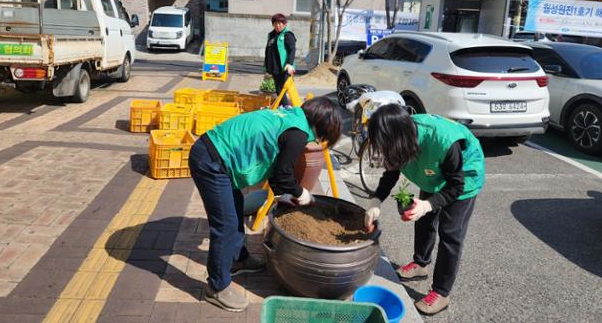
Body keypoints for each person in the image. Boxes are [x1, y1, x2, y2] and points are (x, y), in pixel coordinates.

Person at [188, 97, 342, 312]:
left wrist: (282, 195)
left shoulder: (291, 117)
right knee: (225, 225)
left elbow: (274, 161)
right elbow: (284, 174)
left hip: (214, 153)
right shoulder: (298, 134)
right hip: (211, 161)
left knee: (236, 207)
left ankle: (237, 259)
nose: (317, 142)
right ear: (324, 126)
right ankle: (217, 287)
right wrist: (301, 193)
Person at [364, 105, 485, 315]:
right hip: (433, 174)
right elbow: (391, 173)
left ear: (399, 140)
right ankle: (421, 263)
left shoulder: (442, 141)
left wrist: (428, 204)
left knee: (450, 234)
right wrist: (376, 200)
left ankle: (441, 292)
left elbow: (456, 186)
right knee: (424, 221)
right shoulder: (398, 138)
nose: (383, 152)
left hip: (464, 177)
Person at [265, 13, 296, 106]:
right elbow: (268, 51)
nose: (278, 25)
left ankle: (287, 108)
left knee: (282, 89)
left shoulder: (287, 35)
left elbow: (292, 50)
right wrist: (266, 67)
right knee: (278, 90)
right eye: (275, 23)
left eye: (280, 23)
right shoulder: (271, 35)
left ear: (285, 24)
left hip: (284, 67)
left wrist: (290, 64)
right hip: (274, 68)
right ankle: (283, 107)